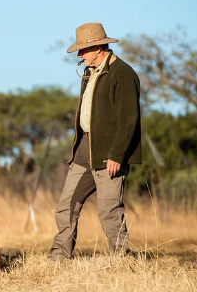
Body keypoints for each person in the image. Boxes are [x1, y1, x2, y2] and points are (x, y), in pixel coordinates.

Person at [49, 22, 142, 261]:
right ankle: (58, 258)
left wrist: (117, 155)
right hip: (84, 150)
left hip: (109, 153)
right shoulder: (90, 71)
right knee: (66, 206)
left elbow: (128, 120)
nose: (80, 55)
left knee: (109, 211)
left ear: (98, 47)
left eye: (83, 50)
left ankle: (123, 259)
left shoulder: (123, 73)